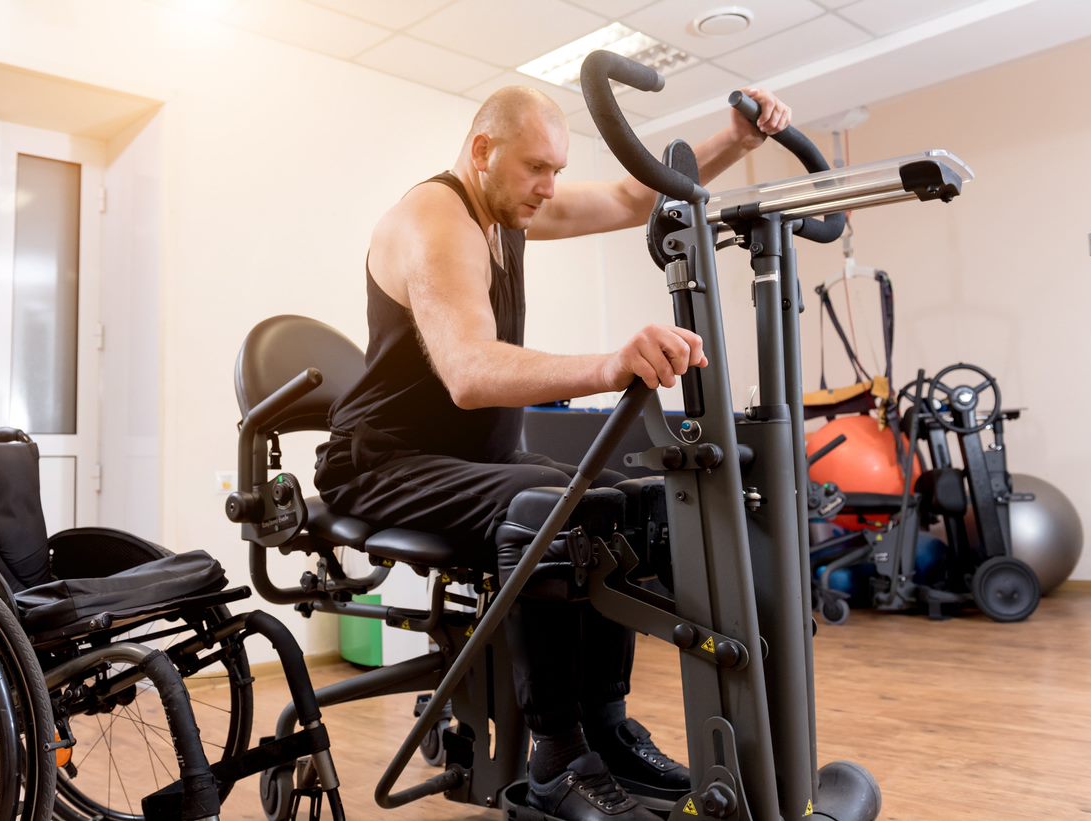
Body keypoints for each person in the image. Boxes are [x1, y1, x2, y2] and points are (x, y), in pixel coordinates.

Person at [316, 84, 791, 820]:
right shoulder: (436, 219)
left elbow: (632, 197)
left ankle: (605, 727)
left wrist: (734, 138)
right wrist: (610, 364)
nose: (548, 186)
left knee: (621, 503)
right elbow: (470, 372)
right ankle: (557, 755)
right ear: (483, 151)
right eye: (536, 167)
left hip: (471, 465)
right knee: (552, 512)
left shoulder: (508, 210)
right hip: (381, 465)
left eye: (556, 170)